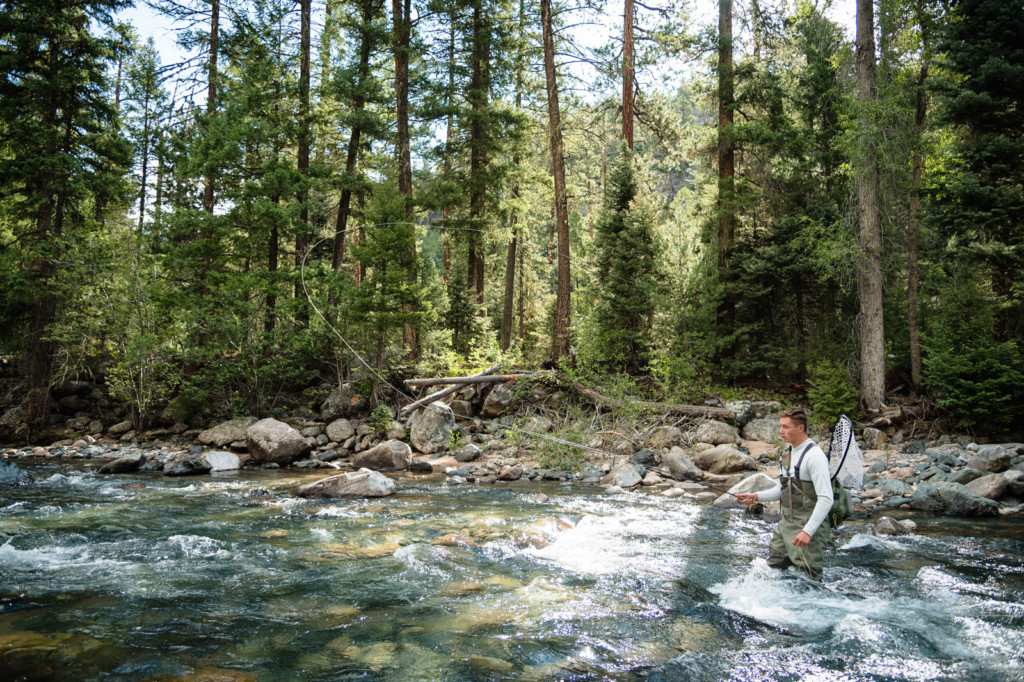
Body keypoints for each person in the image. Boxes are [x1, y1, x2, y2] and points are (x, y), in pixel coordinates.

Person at [736, 407, 833, 581]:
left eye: (786, 427)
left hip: (807, 529)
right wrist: (756, 496)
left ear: (800, 428)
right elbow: (783, 489)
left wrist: (808, 532)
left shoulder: (815, 457)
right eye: (780, 426)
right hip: (785, 526)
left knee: (810, 583)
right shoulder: (787, 454)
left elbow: (826, 498)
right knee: (773, 573)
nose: (780, 431)